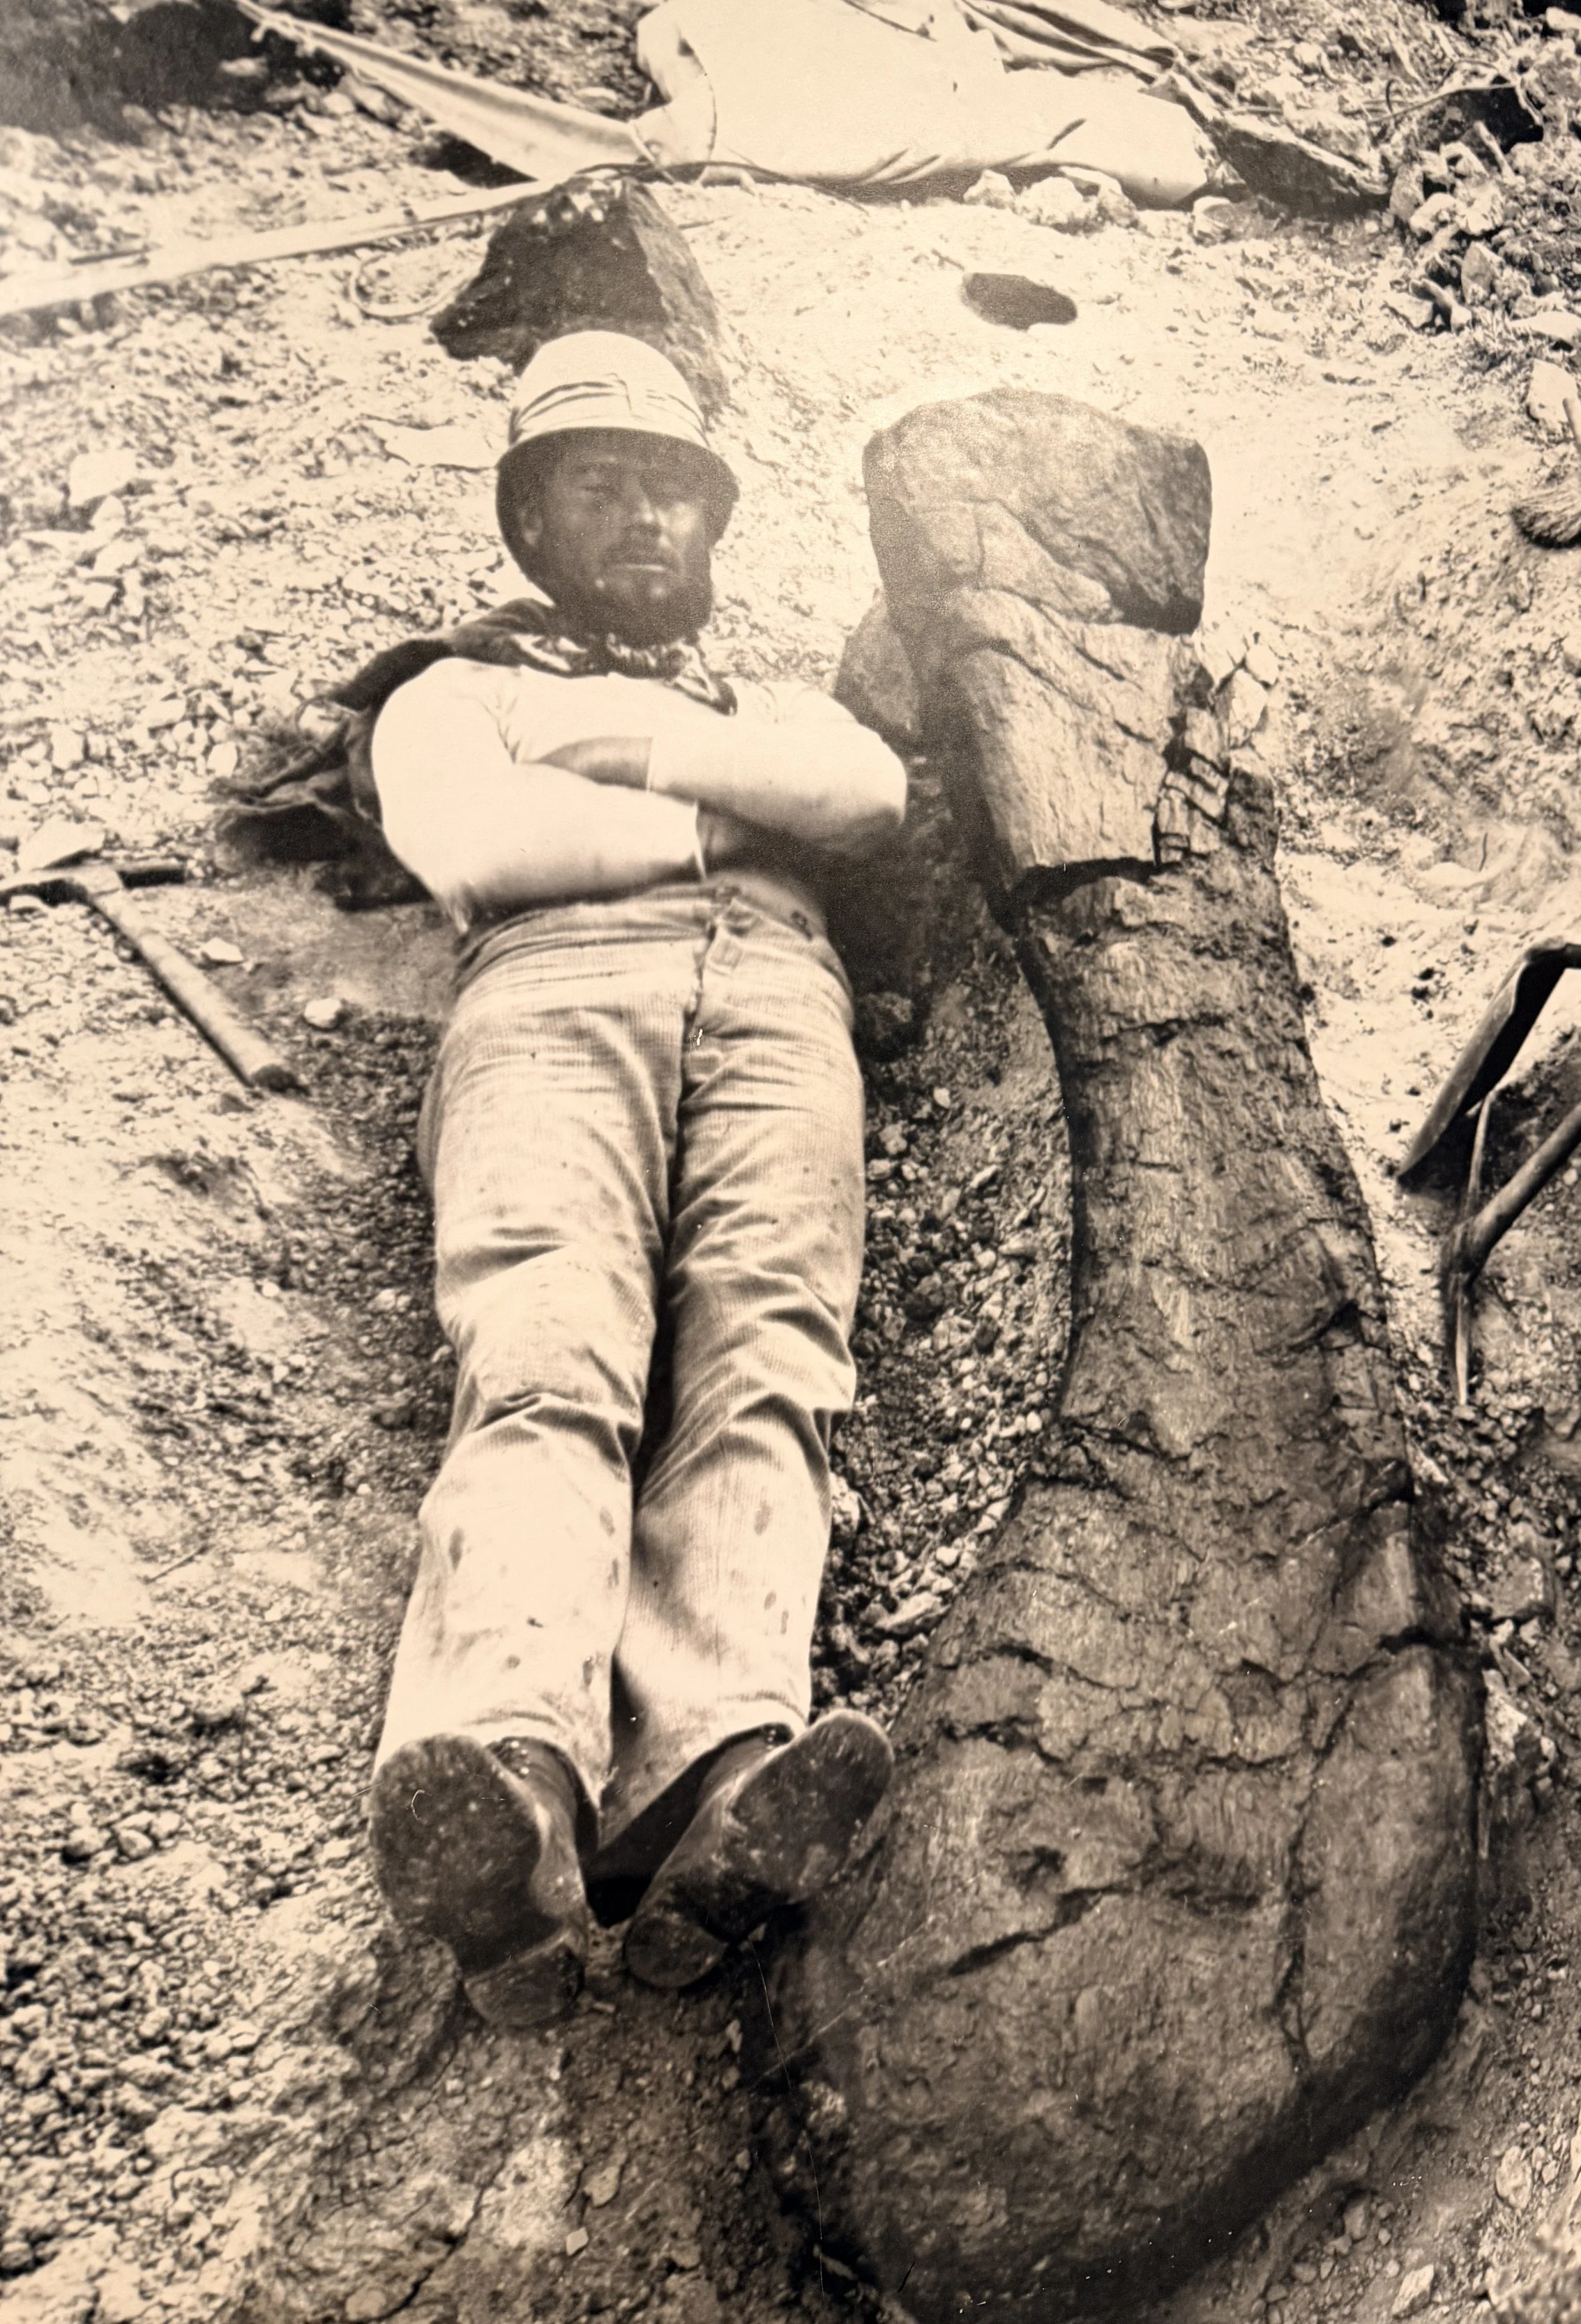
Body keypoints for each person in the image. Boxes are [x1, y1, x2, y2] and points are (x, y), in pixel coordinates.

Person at [361, 331, 907, 2029]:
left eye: (673, 486)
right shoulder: (452, 686)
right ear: (529, 521)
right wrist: (726, 821)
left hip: (777, 999)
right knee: (548, 1352)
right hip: (547, 995)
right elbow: (480, 841)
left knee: (772, 1352)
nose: (649, 518)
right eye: (604, 485)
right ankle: (507, 1779)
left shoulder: (750, 696)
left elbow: (866, 788)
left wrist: (632, 756)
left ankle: (714, 1769)